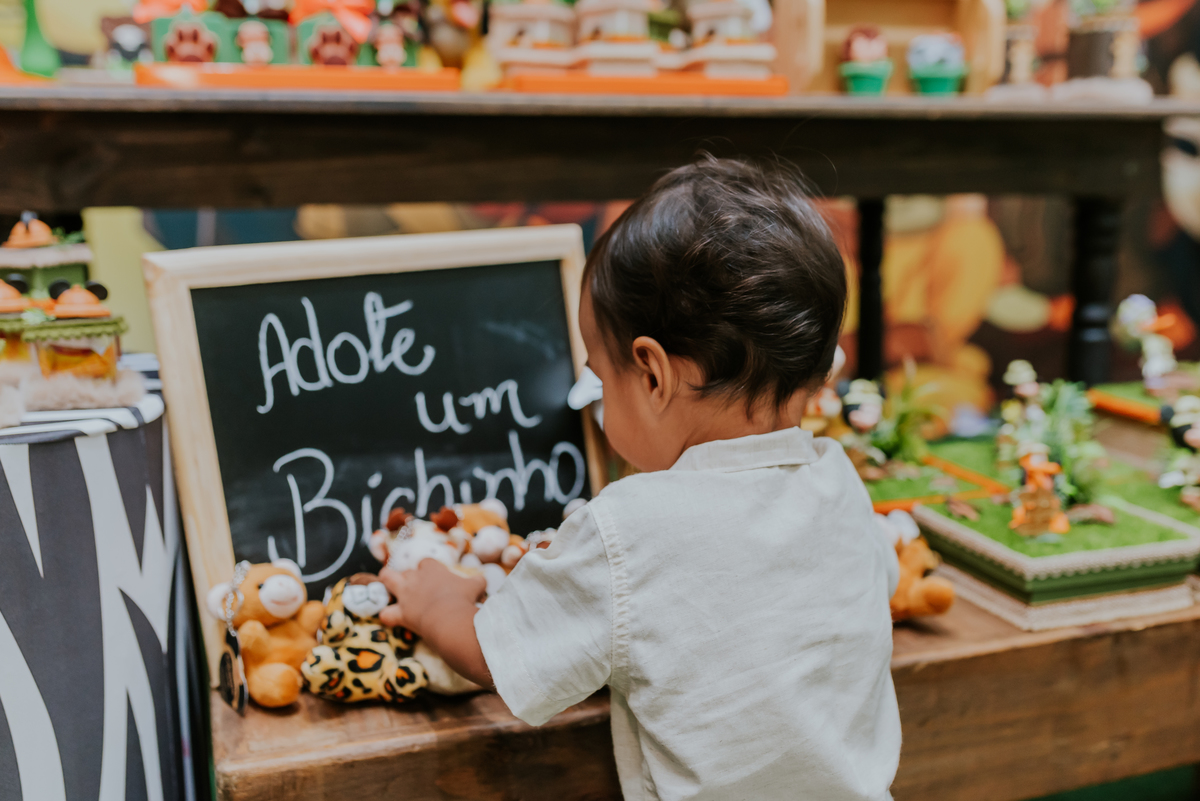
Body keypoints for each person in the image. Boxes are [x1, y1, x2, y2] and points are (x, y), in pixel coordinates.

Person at [380, 156, 901, 801]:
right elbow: (856, 583)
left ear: (653, 375)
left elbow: (497, 656)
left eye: (599, 374)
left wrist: (440, 606)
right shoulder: (839, 482)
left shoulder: (627, 528)